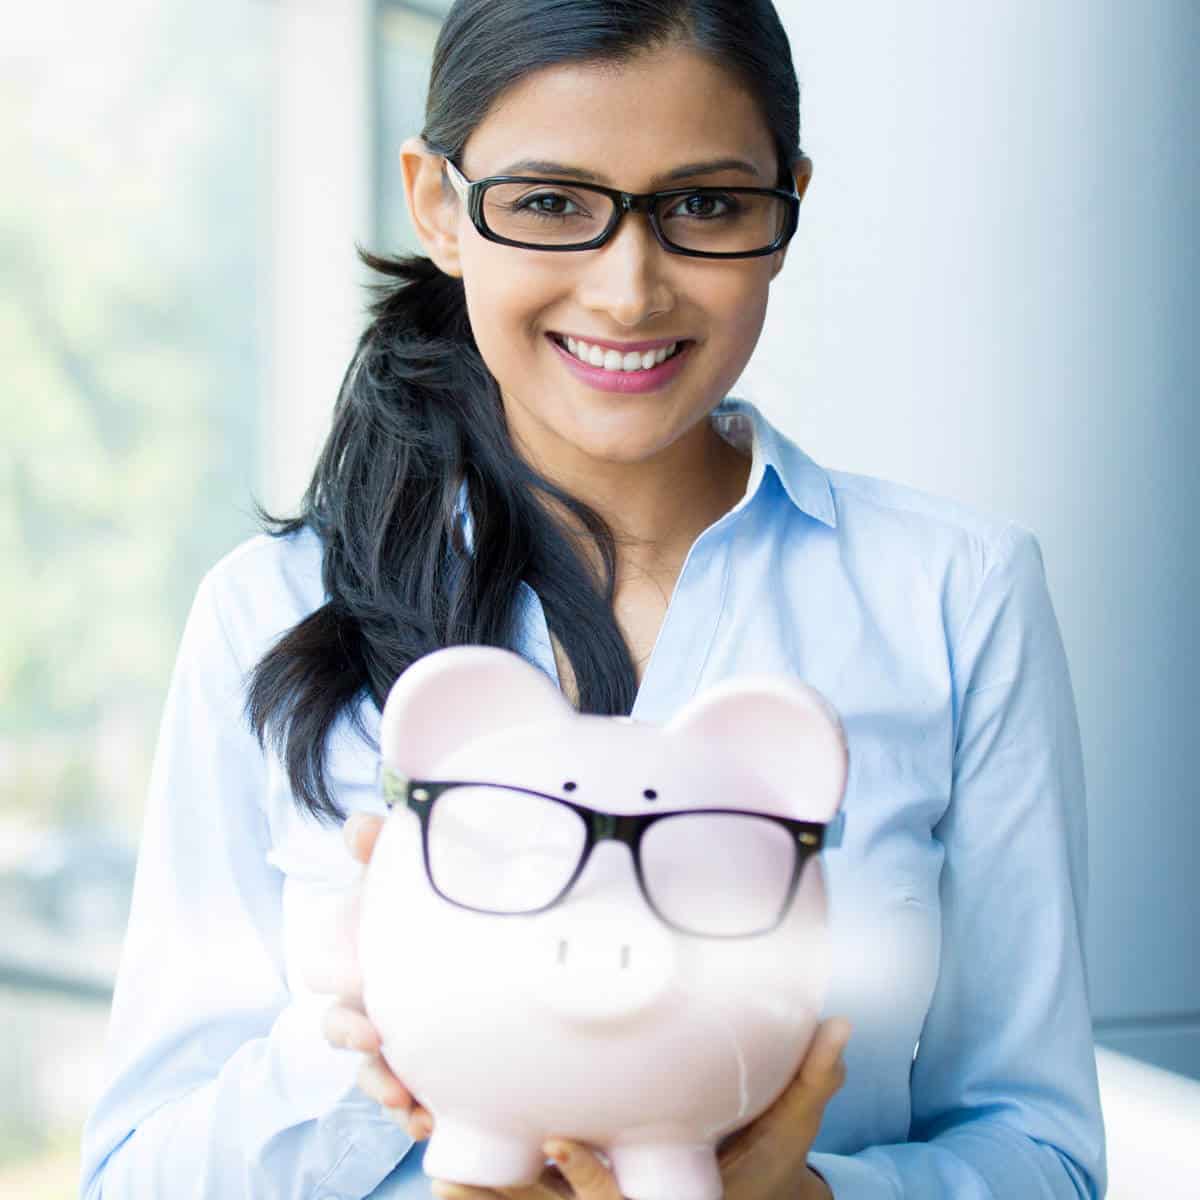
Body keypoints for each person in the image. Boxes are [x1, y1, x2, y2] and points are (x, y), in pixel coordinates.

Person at [78, 1, 1107, 1197]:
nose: (628, 293)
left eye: (705, 205)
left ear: (787, 212)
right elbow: (134, 1177)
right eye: (552, 204)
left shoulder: (953, 597)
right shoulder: (269, 613)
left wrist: (802, 1198)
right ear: (438, 206)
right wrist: (367, 1031)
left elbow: (1042, 1155)